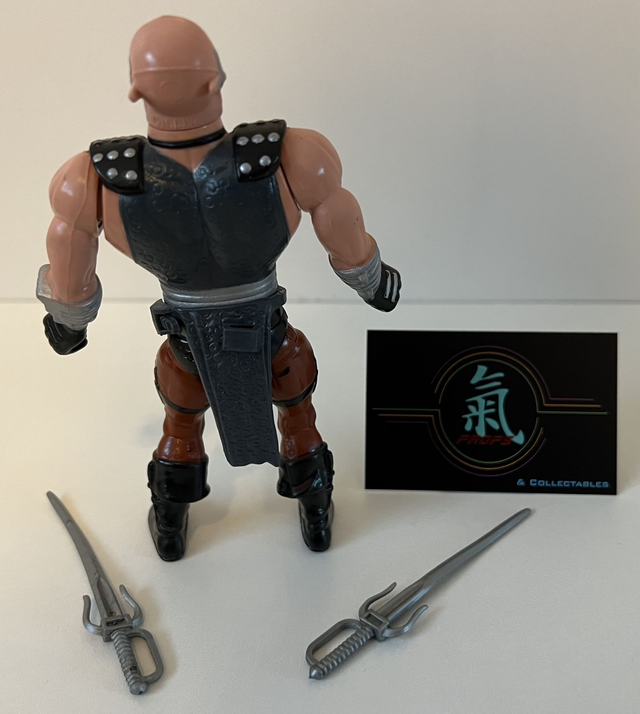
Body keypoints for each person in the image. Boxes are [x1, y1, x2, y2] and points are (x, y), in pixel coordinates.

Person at [37, 16, 401, 561]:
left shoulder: (95, 178)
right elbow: (342, 226)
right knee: (297, 414)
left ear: (136, 91)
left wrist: (68, 325)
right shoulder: (290, 153)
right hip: (270, 338)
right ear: (217, 80)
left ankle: (171, 519)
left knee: (181, 424)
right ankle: (314, 505)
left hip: (186, 346)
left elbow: (70, 263)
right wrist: (373, 282)